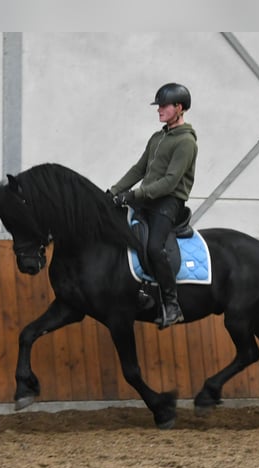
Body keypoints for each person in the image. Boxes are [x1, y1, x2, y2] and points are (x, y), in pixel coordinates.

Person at [109, 82, 198, 329]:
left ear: (179, 108)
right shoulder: (158, 137)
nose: (158, 110)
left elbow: (170, 182)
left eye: (163, 106)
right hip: (148, 200)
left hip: (168, 203)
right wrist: (114, 191)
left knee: (154, 246)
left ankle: (172, 305)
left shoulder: (186, 142)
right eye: (158, 106)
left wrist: (135, 195)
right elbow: (139, 169)